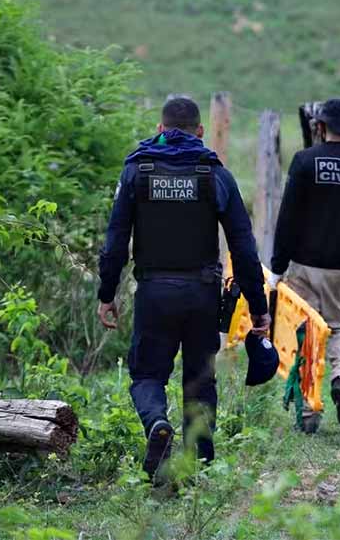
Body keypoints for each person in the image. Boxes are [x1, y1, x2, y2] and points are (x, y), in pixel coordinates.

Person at [97, 97, 270, 479]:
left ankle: (157, 423)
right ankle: (199, 467)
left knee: (147, 376)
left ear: (160, 129)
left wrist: (106, 294)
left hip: (154, 292)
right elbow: (243, 247)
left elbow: (114, 241)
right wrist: (259, 308)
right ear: (200, 131)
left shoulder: (137, 170)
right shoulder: (215, 174)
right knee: (200, 381)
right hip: (202, 295)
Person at [269, 98, 340, 432]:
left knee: (307, 332)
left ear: (321, 126)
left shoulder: (305, 161)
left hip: (304, 264)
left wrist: (277, 268)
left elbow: (288, 217)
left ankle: (308, 413)